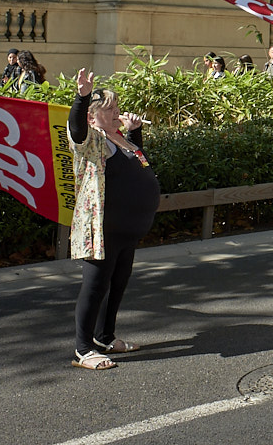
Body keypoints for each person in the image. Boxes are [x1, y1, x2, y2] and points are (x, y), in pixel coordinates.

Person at [67, 69, 161, 370]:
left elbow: (139, 164)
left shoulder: (118, 139)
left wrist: (134, 132)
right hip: (102, 228)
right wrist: (82, 97)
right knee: (95, 287)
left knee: (118, 284)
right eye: (109, 109)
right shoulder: (91, 139)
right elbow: (76, 128)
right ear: (93, 116)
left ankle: (105, 337)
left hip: (126, 230)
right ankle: (83, 350)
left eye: (116, 108)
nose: (116, 112)